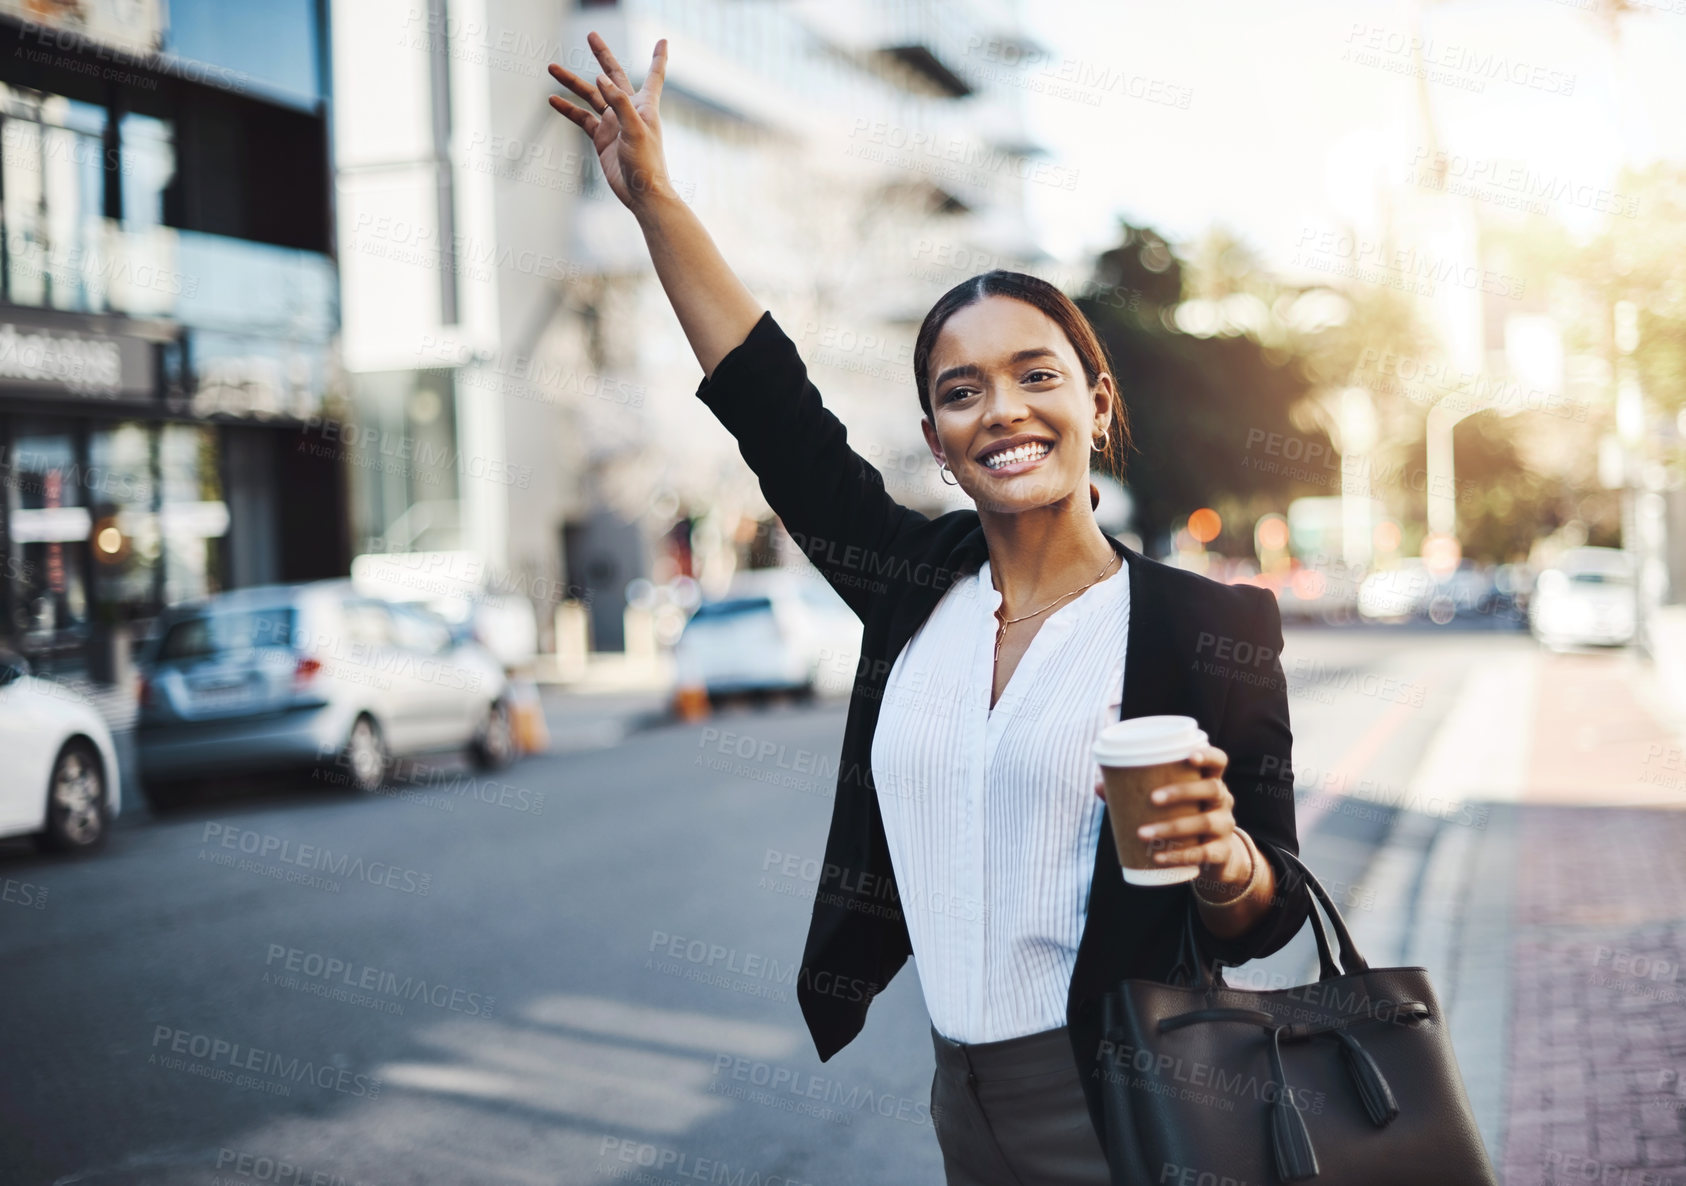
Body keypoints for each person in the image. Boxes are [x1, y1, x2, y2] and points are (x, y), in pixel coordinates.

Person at [547, 33, 1312, 1186]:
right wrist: (655, 200)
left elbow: (1273, 908)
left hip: (1129, 1097)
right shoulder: (912, 585)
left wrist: (1224, 862)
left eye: (1036, 374)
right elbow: (771, 403)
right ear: (938, 444)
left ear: (1095, 404)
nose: (1003, 410)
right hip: (963, 1098)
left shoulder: (1208, 630)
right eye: (963, 392)